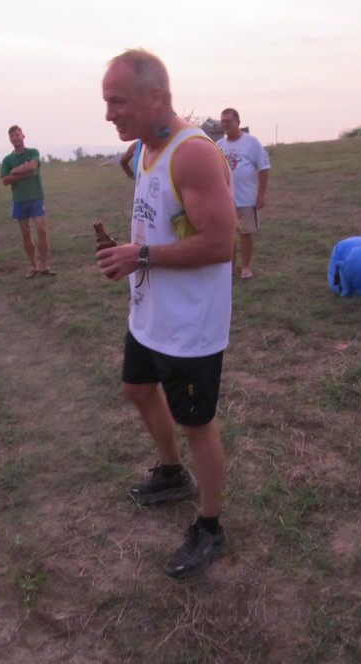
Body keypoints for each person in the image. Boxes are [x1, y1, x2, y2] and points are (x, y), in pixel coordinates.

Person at [97, 49, 236, 579]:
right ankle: (173, 475)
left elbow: (221, 244)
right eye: (106, 102)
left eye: (118, 101)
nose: (109, 114)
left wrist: (142, 255)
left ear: (155, 96)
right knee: (136, 387)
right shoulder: (145, 147)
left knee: (197, 423)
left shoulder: (192, 154)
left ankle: (210, 526)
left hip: (189, 326)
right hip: (149, 312)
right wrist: (132, 254)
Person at [217, 108, 270, 278]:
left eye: (228, 121)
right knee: (228, 235)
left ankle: (246, 267)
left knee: (246, 233)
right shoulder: (219, 145)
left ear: (238, 122)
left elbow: (263, 167)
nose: (225, 125)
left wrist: (261, 194)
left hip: (246, 198)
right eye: (222, 122)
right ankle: (231, 267)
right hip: (225, 200)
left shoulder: (251, 142)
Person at [1, 126, 56, 278]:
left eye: (17, 135)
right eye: (12, 136)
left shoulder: (33, 152)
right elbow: (5, 180)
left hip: (36, 197)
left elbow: (33, 166)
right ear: (10, 140)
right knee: (25, 233)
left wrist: (14, 171)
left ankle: (44, 265)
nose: (15, 138)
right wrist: (24, 173)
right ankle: (34, 266)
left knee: (41, 230)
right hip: (19, 200)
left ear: (23, 136)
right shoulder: (7, 160)